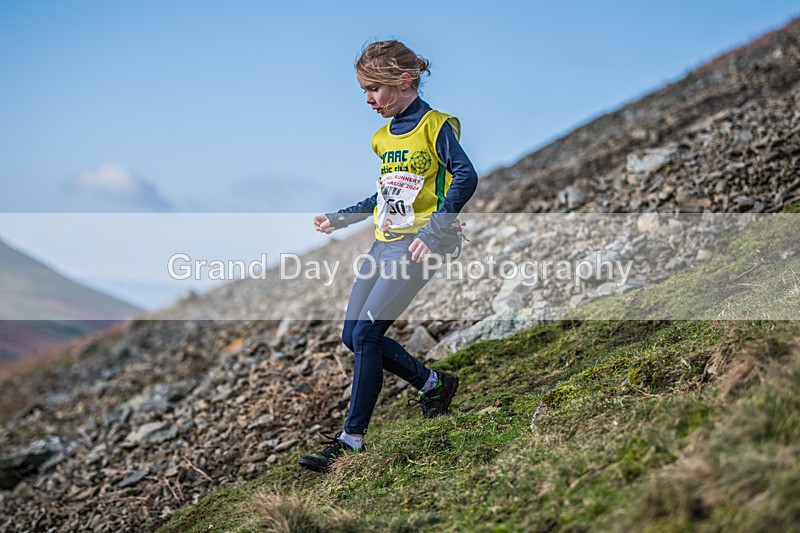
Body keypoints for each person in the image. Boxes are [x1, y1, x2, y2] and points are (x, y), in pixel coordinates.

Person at [299, 40, 478, 473]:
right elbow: (385, 195)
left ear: (405, 80)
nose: (368, 99)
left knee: (366, 335)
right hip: (383, 244)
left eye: (374, 89)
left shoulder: (435, 126)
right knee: (352, 335)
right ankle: (433, 384)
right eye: (364, 90)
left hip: (419, 246)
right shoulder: (382, 138)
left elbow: (466, 176)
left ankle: (351, 440)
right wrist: (341, 218)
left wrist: (435, 231)